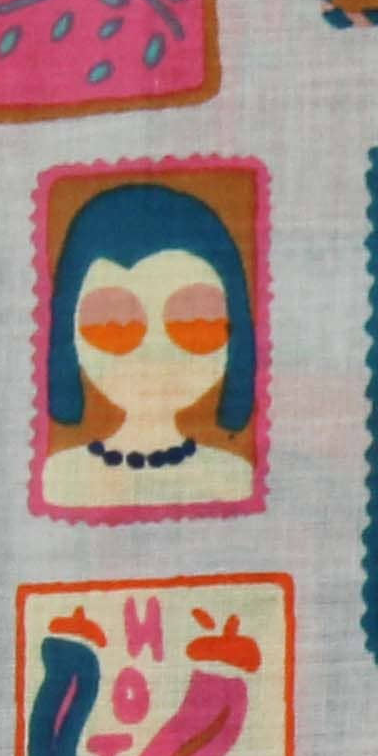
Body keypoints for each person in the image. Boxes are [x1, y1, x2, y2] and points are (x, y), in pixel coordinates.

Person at [40, 180, 259, 510]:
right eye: (115, 325)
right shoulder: (62, 477)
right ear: (69, 338)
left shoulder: (232, 476)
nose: (153, 354)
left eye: (194, 322)